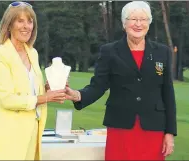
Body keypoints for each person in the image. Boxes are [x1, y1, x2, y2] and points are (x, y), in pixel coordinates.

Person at [66, 1, 177, 160]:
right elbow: (98, 86)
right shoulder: (109, 51)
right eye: (133, 19)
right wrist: (77, 95)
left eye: (143, 19)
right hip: (120, 128)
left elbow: (168, 94)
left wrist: (170, 133)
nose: (138, 24)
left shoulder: (163, 52)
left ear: (149, 23)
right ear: (124, 23)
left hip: (154, 129)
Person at [0, 2, 66, 160]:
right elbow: (8, 99)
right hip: (5, 135)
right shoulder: (0, 54)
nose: (26, 26)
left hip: (30, 134)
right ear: (9, 25)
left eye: (30, 21)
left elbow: (30, 91)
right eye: (20, 21)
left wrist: (50, 88)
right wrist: (44, 98)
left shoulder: (33, 53)